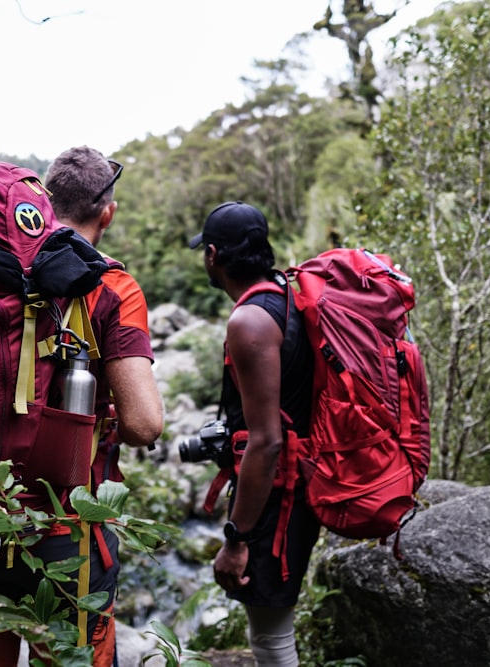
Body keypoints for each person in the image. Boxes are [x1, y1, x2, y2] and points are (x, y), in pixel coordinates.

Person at [0, 147, 163, 667]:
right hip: (68, 531)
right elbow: (144, 424)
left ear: (43, 201)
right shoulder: (112, 287)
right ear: (106, 212)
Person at [189, 201, 320, 666]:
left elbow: (267, 441)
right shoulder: (287, 296)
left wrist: (236, 538)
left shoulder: (249, 321)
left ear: (212, 254)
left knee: (270, 636)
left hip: (277, 497)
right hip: (296, 486)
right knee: (271, 629)